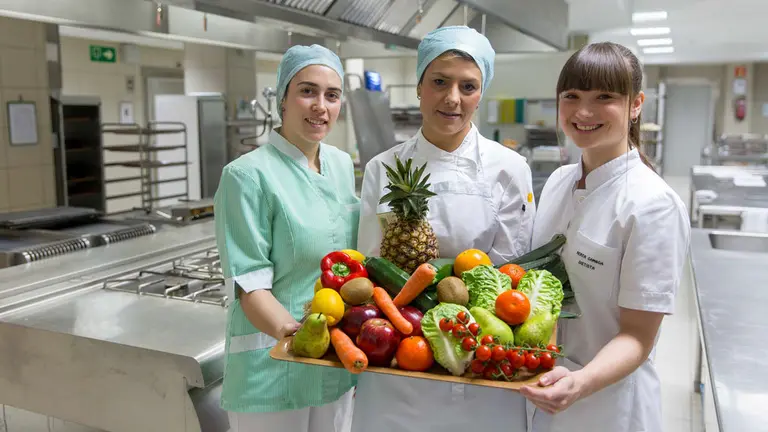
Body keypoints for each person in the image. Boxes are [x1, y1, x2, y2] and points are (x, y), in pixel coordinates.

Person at [353, 26, 535, 432]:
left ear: (480, 94)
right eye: (439, 82)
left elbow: (510, 277)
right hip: (400, 361)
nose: (453, 98)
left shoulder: (510, 169)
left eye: (467, 86)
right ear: (419, 87)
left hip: (478, 365)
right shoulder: (383, 168)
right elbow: (370, 272)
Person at [521, 42, 691, 432]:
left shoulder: (652, 205)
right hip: (542, 391)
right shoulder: (559, 183)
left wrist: (581, 382)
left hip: (607, 406)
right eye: (572, 97)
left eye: (604, 98)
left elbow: (637, 335)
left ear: (635, 105)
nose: (583, 112)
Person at [214, 44, 359, 432]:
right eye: (307, 91)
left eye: (332, 95)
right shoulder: (247, 176)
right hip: (272, 362)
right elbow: (249, 282)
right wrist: (294, 334)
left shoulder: (342, 166)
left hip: (333, 362)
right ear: (283, 99)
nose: (320, 106)